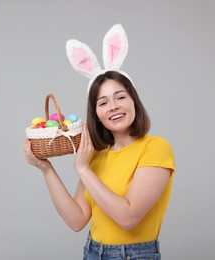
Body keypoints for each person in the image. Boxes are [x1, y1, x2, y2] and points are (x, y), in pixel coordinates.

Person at [24, 23, 174, 260]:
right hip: (92, 252)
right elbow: (76, 220)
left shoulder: (155, 148)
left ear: (134, 101)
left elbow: (128, 217)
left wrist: (83, 168)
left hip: (133, 256)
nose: (113, 106)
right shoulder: (96, 155)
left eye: (120, 97)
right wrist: (46, 169)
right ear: (96, 114)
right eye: (103, 102)